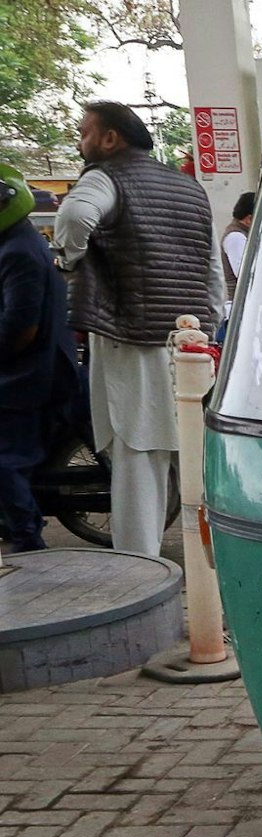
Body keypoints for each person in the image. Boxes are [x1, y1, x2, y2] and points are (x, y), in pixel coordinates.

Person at [53, 101, 222, 556]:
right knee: (193, 454)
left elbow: (73, 218)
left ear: (110, 138)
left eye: (85, 131)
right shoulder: (189, 189)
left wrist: (69, 259)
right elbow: (211, 272)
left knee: (137, 454)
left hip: (132, 335)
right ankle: (214, 566)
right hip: (191, 342)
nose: (80, 140)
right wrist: (209, 324)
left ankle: (139, 570)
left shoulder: (106, 177)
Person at [0, 163, 81, 553]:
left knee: (5, 461)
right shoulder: (17, 243)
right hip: (34, 367)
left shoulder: (18, 251)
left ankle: (26, 537)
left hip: (29, 374)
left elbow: (20, 327)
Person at [220, 191, 254, 310]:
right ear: (249, 219)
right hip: (243, 308)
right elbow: (245, 274)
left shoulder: (245, 235)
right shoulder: (235, 237)